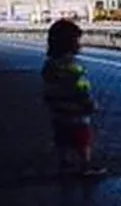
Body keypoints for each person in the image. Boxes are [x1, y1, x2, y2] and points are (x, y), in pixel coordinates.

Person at [41, 19, 106, 176]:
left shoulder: (49, 65)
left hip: (57, 110)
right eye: (77, 41)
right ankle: (86, 166)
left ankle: (65, 164)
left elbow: (48, 88)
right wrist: (89, 103)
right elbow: (81, 88)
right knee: (83, 138)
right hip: (76, 110)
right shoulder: (74, 67)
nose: (80, 44)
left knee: (62, 138)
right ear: (70, 44)